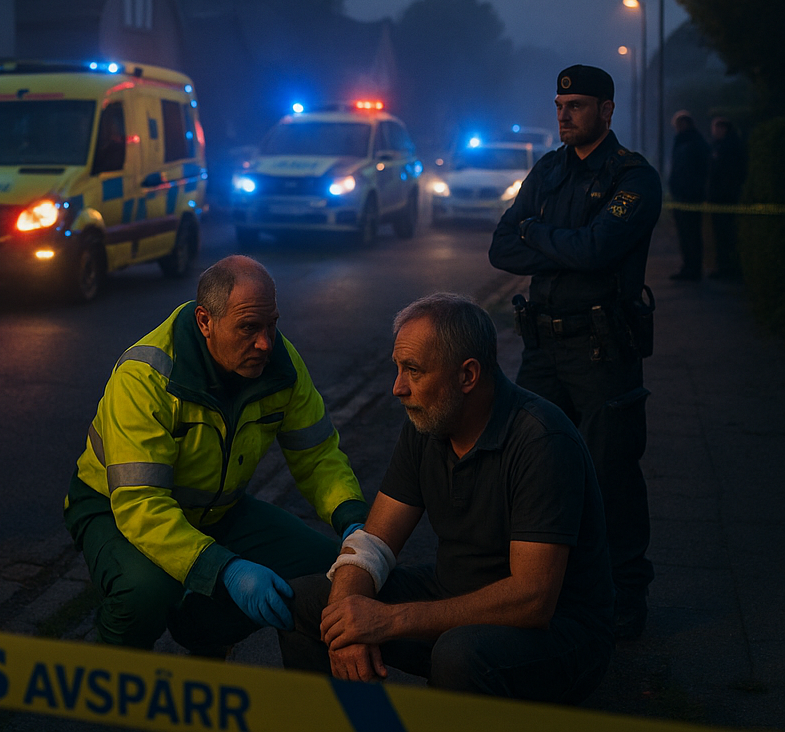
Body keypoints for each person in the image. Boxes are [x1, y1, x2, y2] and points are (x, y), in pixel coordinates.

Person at [279, 294, 614, 703]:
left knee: (459, 655)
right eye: (397, 368)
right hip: (452, 597)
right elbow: (374, 540)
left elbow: (533, 599)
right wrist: (350, 617)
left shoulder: (542, 440)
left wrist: (388, 620)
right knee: (306, 604)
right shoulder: (429, 421)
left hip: (556, 634)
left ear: (467, 376)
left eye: (413, 371)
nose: (397, 388)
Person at [63, 255, 367, 655]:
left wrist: (352, 522)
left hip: (216, 509)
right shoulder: (146, 377)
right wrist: (225, 569)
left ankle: (202, 628)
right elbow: (140, 503)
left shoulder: (281, 365)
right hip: (115, 510)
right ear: (205, 321)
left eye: (272, 324)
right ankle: (115, 681)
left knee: (328, 571)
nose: (265, 343)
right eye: (249, 328)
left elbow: (317, 456)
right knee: (145, 594)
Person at [489, 64, 660, 639]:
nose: (564, 114)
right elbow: (500, 248)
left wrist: (537, 233)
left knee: (610, 474)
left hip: (601, 351)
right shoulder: (548, 169)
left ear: (607, 111)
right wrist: (553, 240)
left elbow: (594, 251)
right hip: (543, 348)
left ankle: (624, 598)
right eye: (560, 105)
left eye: (578, 106)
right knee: (536, 469)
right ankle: (545, 590)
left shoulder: (632, 177)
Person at [667, 110, 708, 281]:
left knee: (690, 234)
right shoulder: (689, 142)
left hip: (689, 195)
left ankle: (693, 268)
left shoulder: (691, 143)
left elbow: (691, 170)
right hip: (683, 194)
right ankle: (689, 266)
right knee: (686, 234)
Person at [707, 117, 746, 280]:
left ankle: (728, 270)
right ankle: (724, 268)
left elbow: (726, 172)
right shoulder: (723, 145)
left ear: (723, 129)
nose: (713, 132)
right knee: (722, 236)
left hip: (724, 198)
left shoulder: (728, 147)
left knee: (726, 235)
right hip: (721, 197)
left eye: (716, 128)